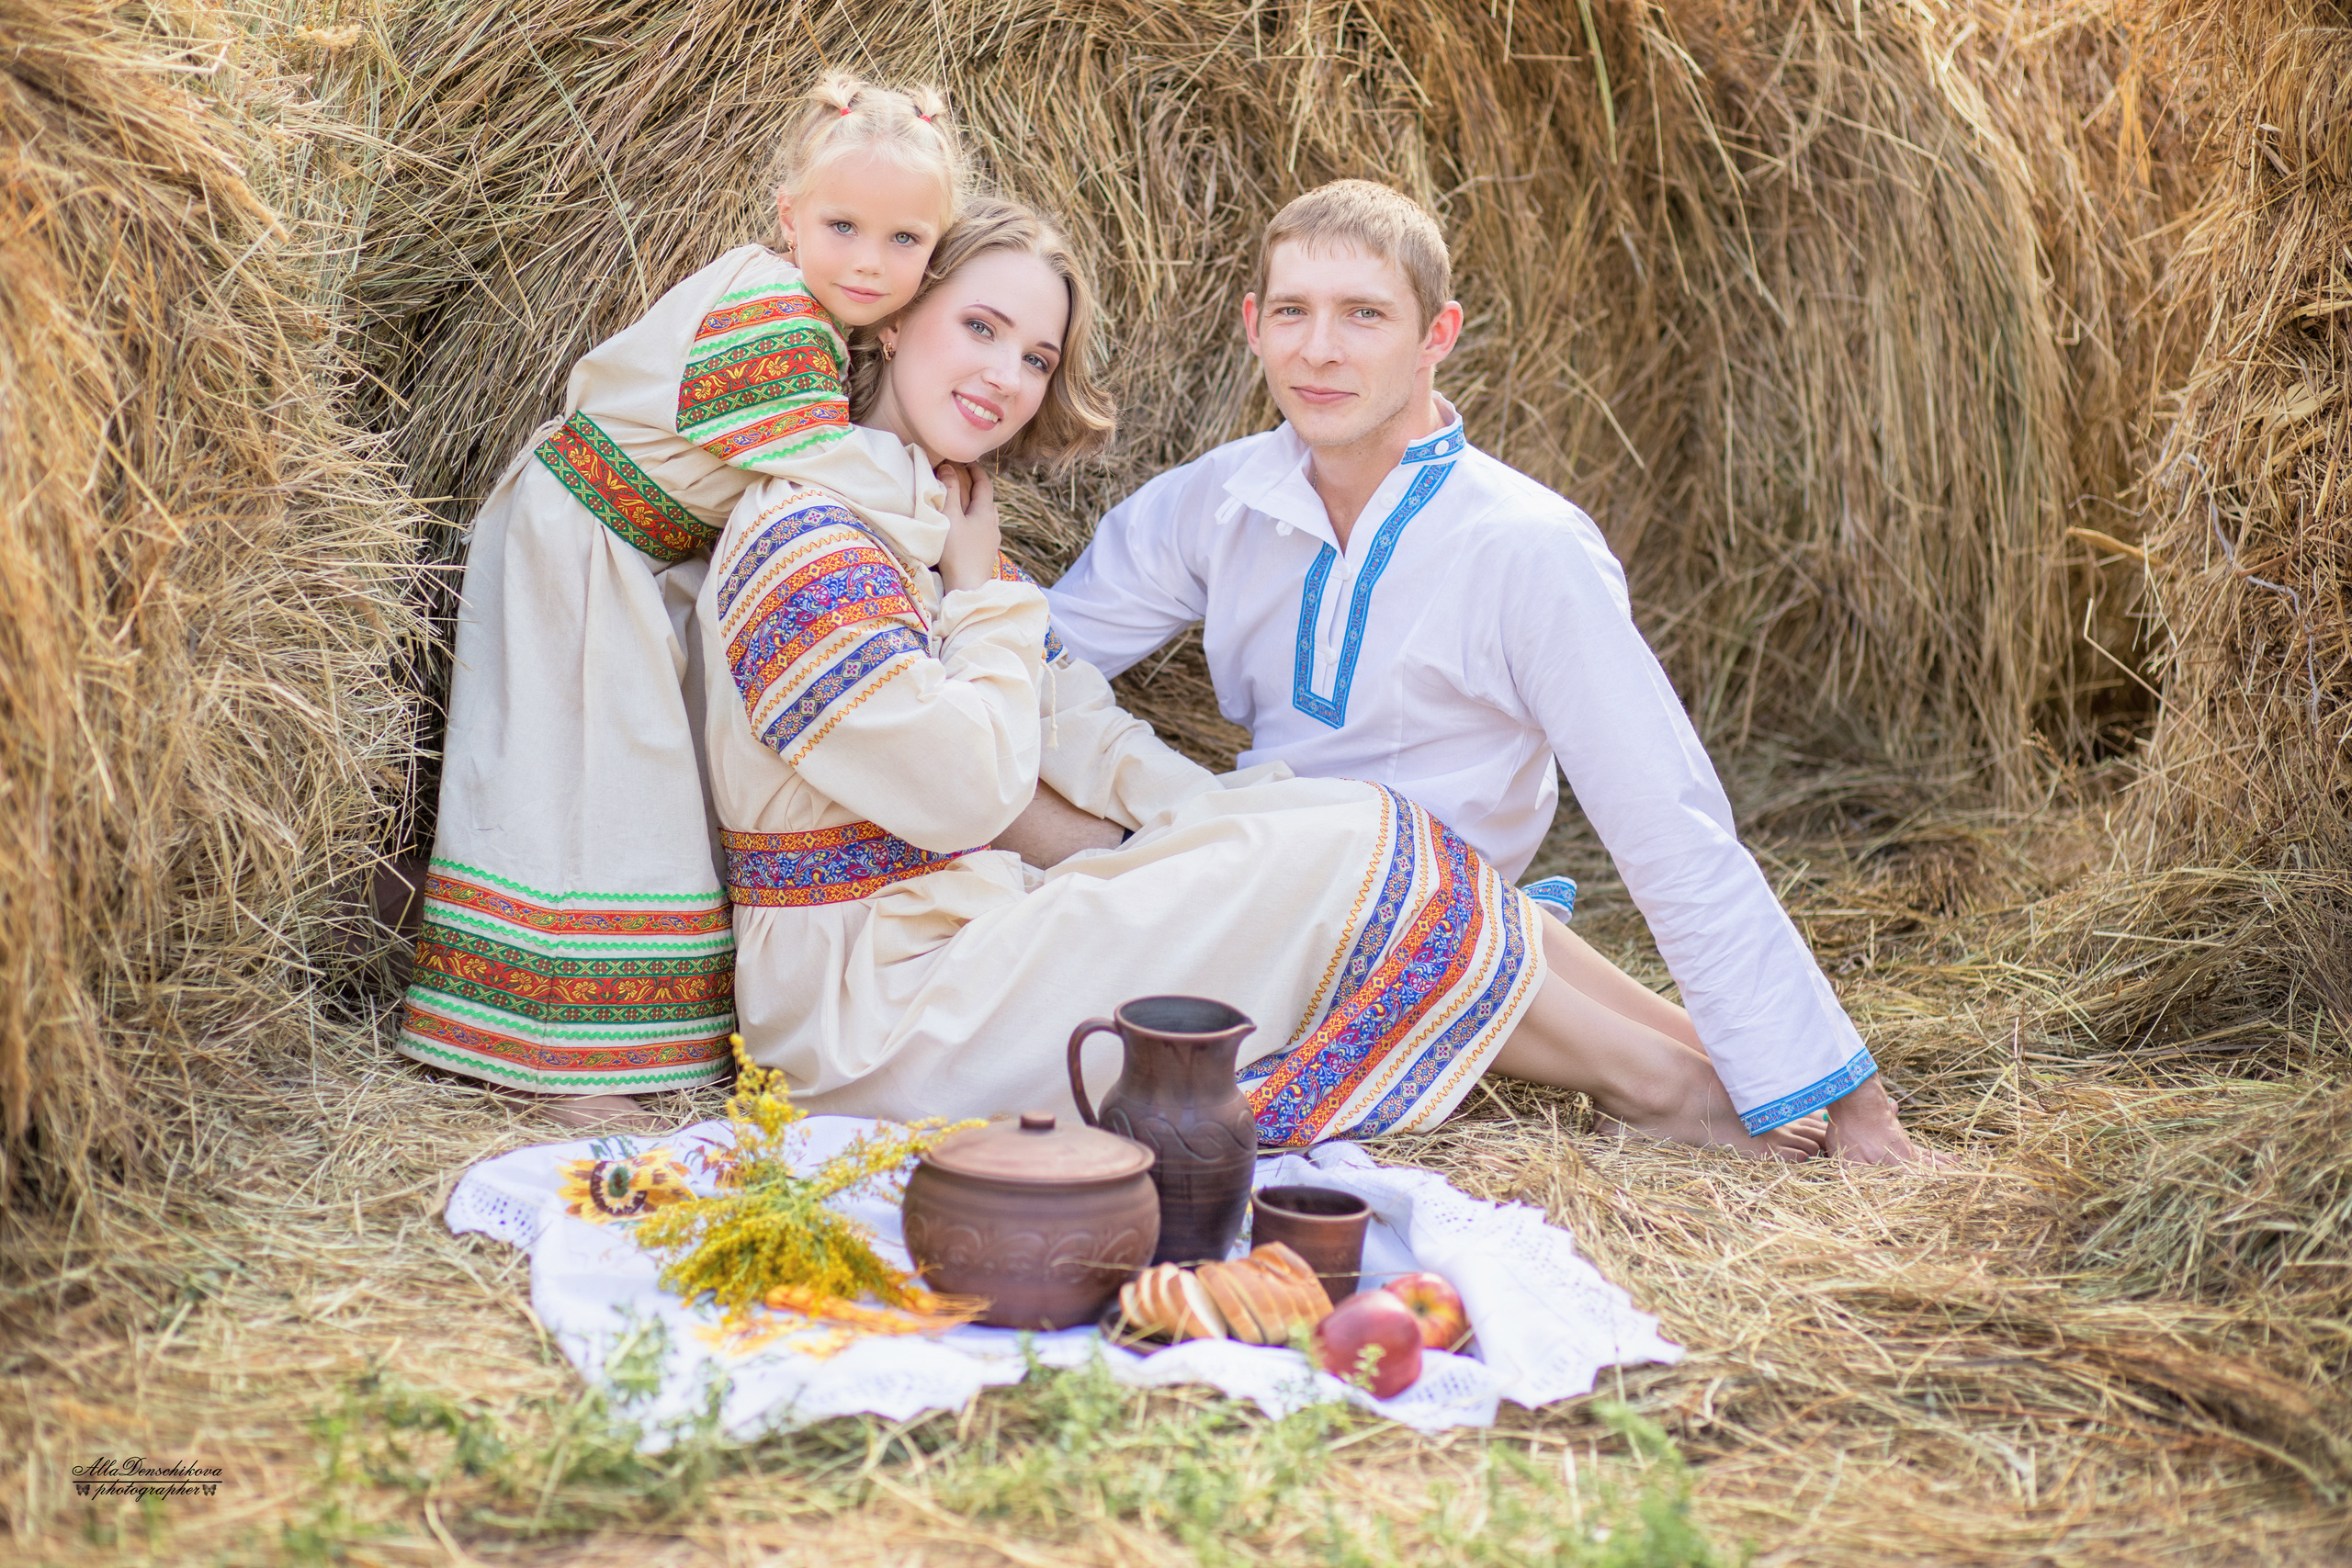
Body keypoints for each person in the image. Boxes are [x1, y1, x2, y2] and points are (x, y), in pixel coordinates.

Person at [699, 197, 1828, 1159]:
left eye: (1035, 357)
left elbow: (1060, 707)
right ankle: (1673, 1092)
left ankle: (1720, 1064)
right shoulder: (818, 541)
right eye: (980, 329)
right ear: (894, 323)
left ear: (1435, 335)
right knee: (1337, 848)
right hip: (868, 1016)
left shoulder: (916, 522)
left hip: (955, 942)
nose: (1006, 377)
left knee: (1342, 828)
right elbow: (971, 784)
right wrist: (991, 594)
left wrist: (1219, 829)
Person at [1045, 181, 1924, 1163]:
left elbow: (1662, 816)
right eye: (1292, 311)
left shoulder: (1525, 548)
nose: (1319, 349)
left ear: (1437, 335)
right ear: (1252, 326)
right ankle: (1703, 1076)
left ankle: (1690, 1082)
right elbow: (1045, 655)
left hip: (1445, 915)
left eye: (1364, 316)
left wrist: (1857, 1098)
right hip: (1284, 871)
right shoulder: (1220, 498)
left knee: (1397, 870)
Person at [396, 74, 967, 1123]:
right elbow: (822, 467)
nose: (867, 262)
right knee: (592, 788)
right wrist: (944, 522)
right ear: (788, 214)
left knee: (610, 780)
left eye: (903, 242)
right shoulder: (769, 309)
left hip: (623, 551)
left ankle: (578, 1039)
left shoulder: (804, 312)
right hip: (577, 549)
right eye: (842, 226)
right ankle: (568, 1063)